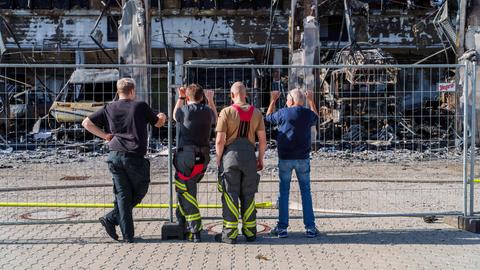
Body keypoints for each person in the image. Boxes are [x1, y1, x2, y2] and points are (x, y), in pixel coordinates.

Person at [82, 78, 166, 243]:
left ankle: (125, 233)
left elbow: (86, 123)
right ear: (133, 90)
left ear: (118, 91)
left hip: (114, 155)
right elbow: (158, 123)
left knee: (123, 195)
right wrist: (162, 115)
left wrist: (105, 136)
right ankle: (112, 218)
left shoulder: (109, 107)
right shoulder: (139, 106)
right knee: (140, 190)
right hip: (134, 157)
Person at [215, 81, 267, 244]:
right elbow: (263, 140)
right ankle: (251, 232)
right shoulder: (257, 113)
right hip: (250, 158)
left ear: (232, 95)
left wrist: (218, 161)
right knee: (249, 195)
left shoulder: (226, 112)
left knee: (230, 195)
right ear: (246, 95)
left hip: (230, 157)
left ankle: (230, 235)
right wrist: (260, 159)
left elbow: (220, 141)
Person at [265, 89, 320, 238]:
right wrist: (311, 100)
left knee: (284, 193)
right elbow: (316, 117)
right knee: (306, 192)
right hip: (303, 158)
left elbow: (268, 117)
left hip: (285, 158)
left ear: (290, 100)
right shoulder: (307, 114)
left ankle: (282, 228)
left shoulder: (283, 113)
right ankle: (310, 227)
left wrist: (273, 100)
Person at [172, 84, 217, 242]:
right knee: (186, 188)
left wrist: (180, 97)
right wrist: (210, 100)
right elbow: (215, 118)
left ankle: (195, 229)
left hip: (186, 156)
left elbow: (174, 115)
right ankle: (181, 220)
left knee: (186, 190)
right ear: (203, 97)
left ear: (188, 98)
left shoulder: (184, 110)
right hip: (203, 156)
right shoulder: (206, 111)